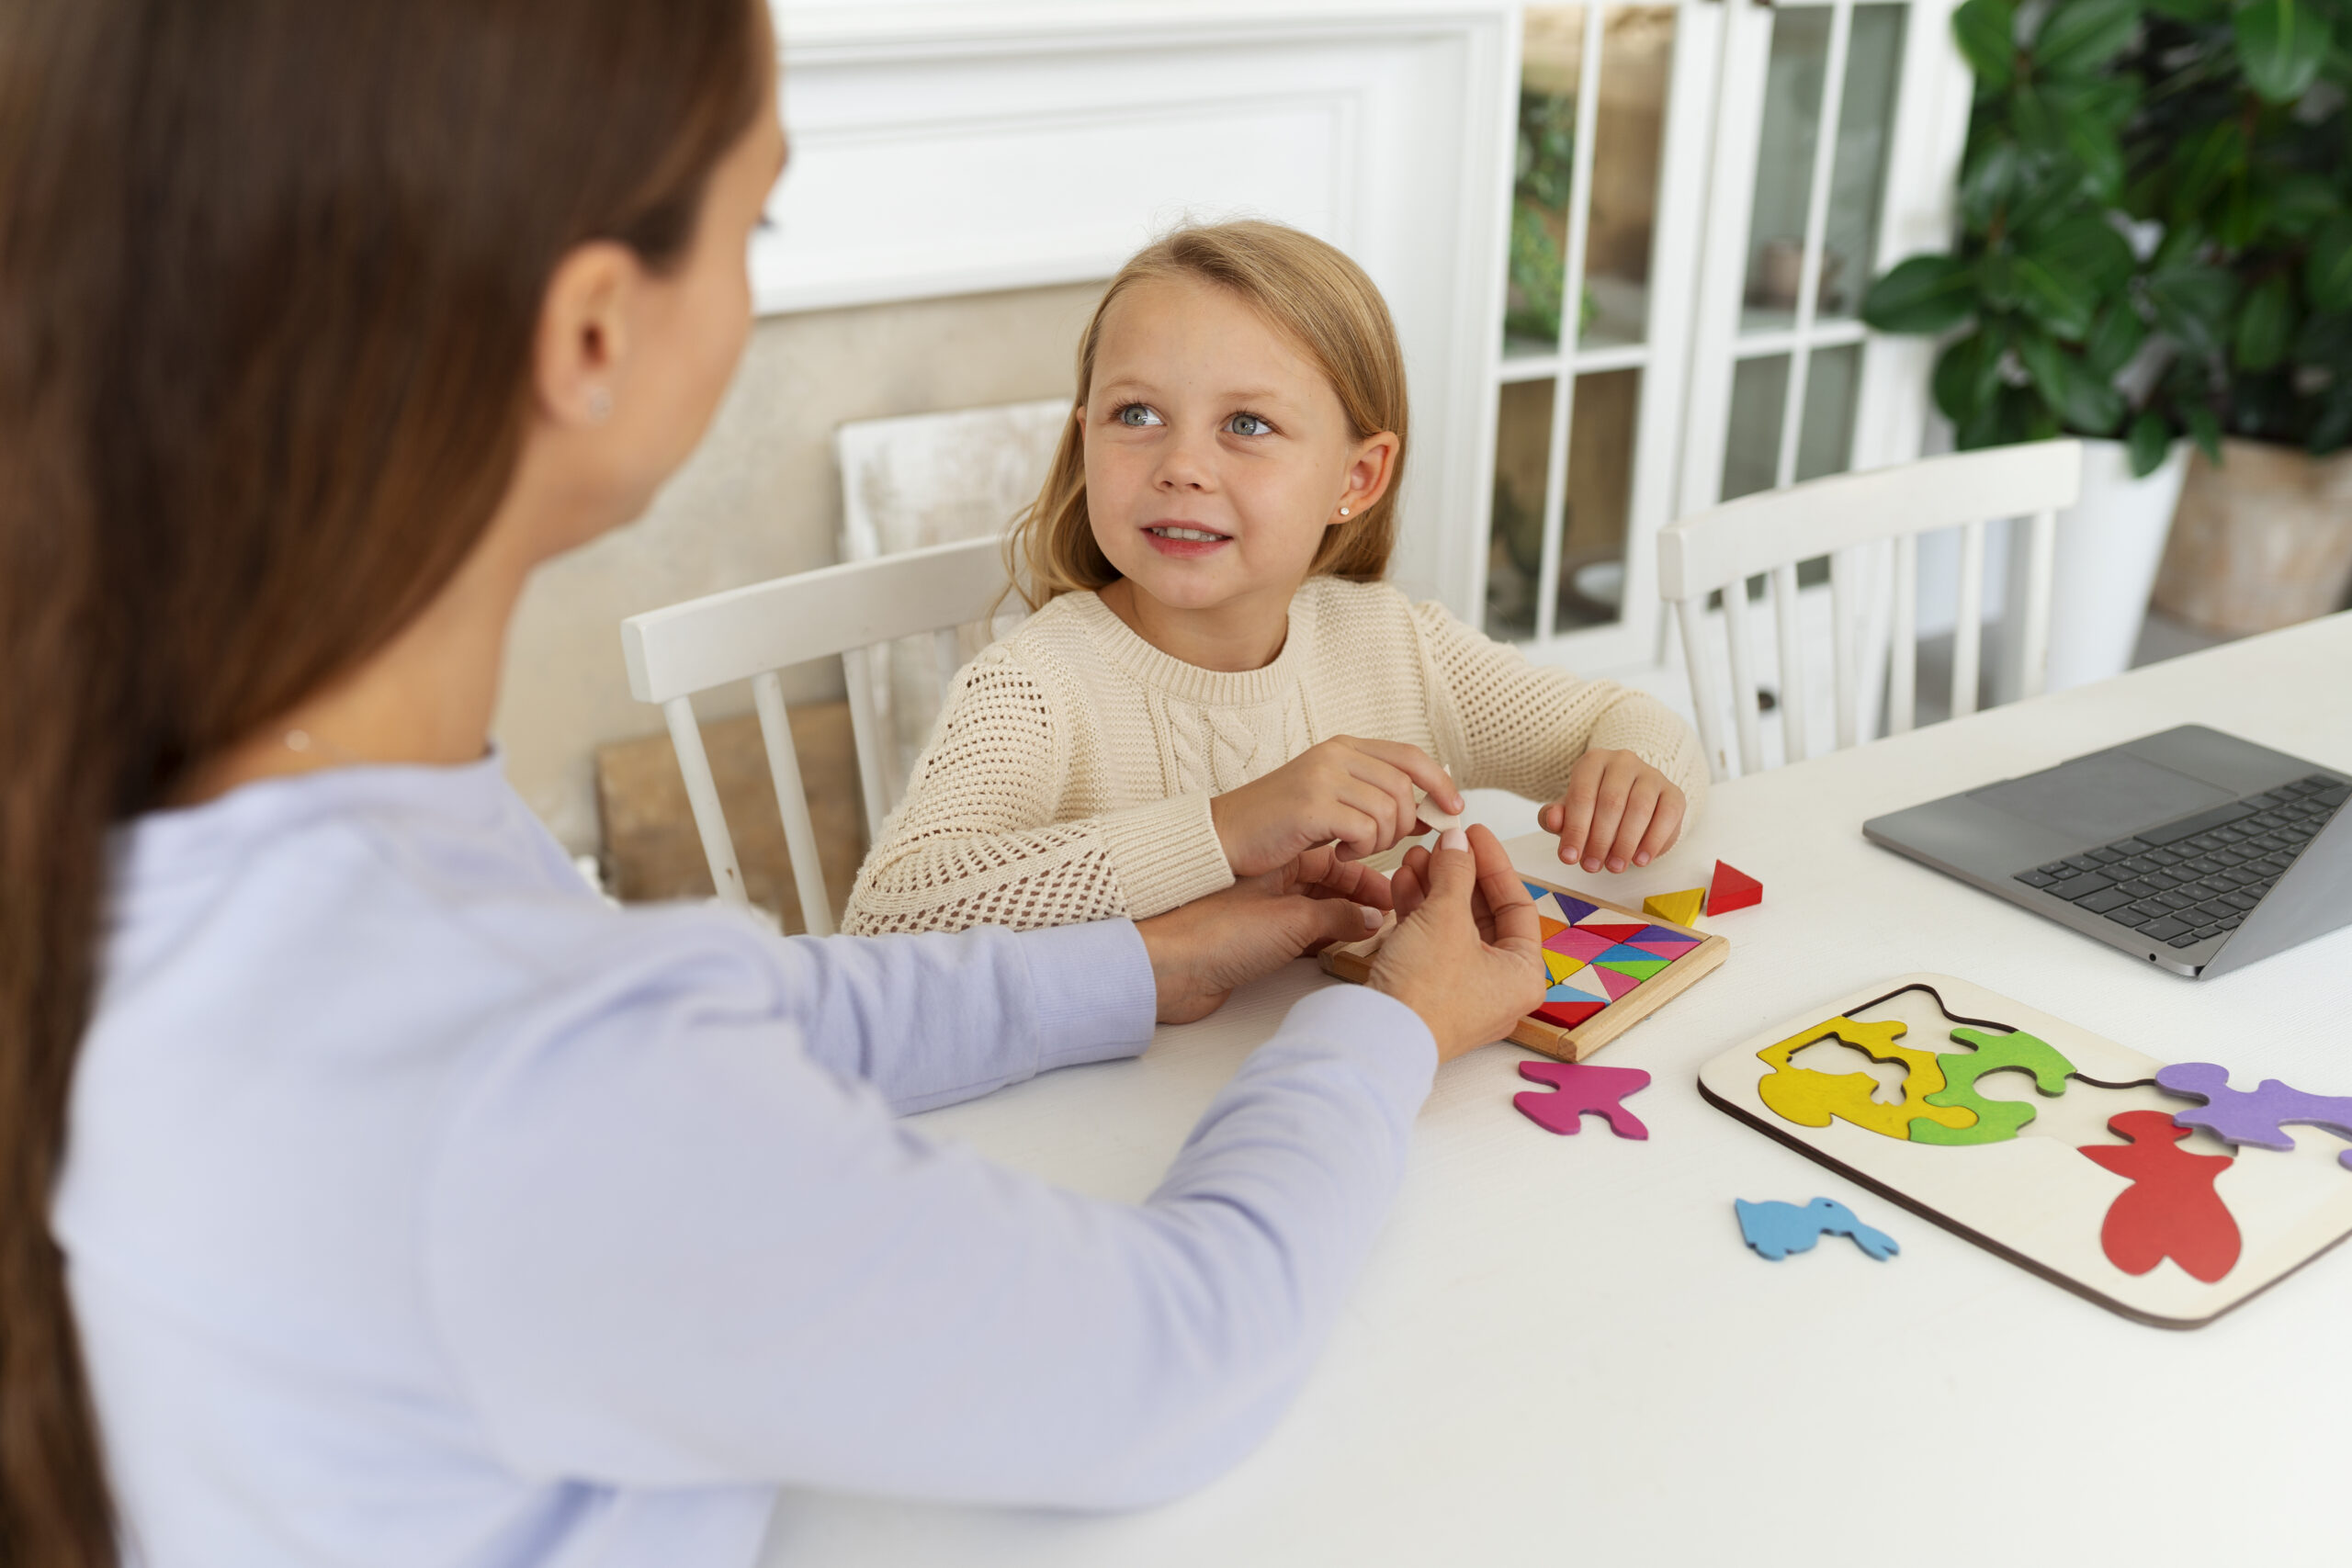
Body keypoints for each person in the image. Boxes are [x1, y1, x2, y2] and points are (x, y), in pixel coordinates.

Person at [0, 2, 1549, 1564]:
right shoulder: (521, 1063)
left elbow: (743, 1009)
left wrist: (1144, 959)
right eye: (758, 219)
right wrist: (1390, 1024)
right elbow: (1175, 1356)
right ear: (595, 332)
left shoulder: (264, 806)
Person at [841, 220, 1711, 938]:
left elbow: (1624, 721)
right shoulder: (1035, 686)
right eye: (1135, 414)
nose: (1181, 464)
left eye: (1247, 423)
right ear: (1085, 439)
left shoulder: (1395, 643)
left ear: (1356, 479)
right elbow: (887, 915)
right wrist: (1230, 826)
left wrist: (1638, 767)